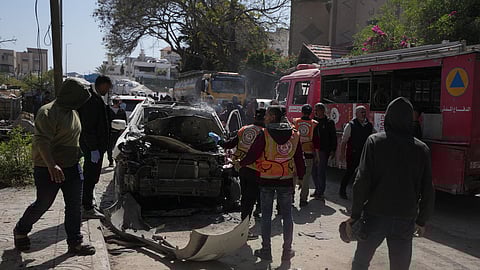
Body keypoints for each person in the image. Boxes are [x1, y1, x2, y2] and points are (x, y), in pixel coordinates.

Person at [345, 97, 435, 270]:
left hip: (375, 216)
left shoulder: (374, 142)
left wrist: (355, 215)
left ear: (388, 117)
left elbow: (361, 181)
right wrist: (422, 220)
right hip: (405, 218)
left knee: (361, 262)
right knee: (400, 266)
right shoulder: (422, 149)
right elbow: (428, 189)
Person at [13, 78, 96, 255]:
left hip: (72, 167)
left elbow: (74, 137)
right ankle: (21, 230)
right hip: (48, 167)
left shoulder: (73, 112)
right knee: (43, 203)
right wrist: (52, 165)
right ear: (70, 95)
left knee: (74, 205)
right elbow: (42, 141)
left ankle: (75, 242)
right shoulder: (48, 112)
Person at [240, 106, 305, 261]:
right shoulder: (294, 134)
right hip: (286, 180)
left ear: (273, 117)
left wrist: (241, 163)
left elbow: (253, 154)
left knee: (267, 216)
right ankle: (287, 251)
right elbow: (298, 157)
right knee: (288, 216)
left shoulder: (265, 134)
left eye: (268, 115)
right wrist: (301, 176)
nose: (265, 118)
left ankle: (266, 250)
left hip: (266, 180)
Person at [222, 108, 266, 222]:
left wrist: (219, 141)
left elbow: (230, 143)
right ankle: (253, 213)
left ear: (255, 117)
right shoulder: (265, 133)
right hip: (257, 168)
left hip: (241, 166)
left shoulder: (243, 129)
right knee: (256, 192)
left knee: (245, 194)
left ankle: (244, 217)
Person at [78, 75, 112, 219]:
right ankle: (87, 207)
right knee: (90, 176)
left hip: (96, 147)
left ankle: (87, 203)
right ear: (102, 85)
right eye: (108, 87)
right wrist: (93, 148)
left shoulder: (96, 98)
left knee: (92, 177)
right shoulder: (91, 100)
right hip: (92, 147)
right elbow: (88, 127)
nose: (108, 90)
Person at [339, 105, 374, 200]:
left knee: (365, 174)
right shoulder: (351, 125)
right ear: (356, 114)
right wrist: (342, 155)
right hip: (353, 153)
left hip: (365, 153)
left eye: (364, 112)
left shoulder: (369, 125)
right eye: (361, 112)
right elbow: (344, 141)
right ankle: (342, 191)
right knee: (349, 172)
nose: (363, 114)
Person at [292, 104, 320, 207]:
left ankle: (291, 197)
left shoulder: (295, 122)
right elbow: (316, 142)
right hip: (308, 155)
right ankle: (303, 200)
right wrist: (317, 156)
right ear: (311, 112)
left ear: (302, 112)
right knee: (306, 178)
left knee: (293, 176)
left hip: (295, 154)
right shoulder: (314, 124)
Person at [312, 103, 337, 200]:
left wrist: (333, 150)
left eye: (317, 110)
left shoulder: (329, 122)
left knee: (321, 171)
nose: (316, 112)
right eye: (315, 110)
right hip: (313, 150)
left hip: (323, 150)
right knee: (313, 171)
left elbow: (333, 137)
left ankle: (320, 192)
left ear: (322, 111)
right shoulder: (313, 122)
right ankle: (317, 189)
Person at [107, 97, 127, 166]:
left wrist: (123, 130)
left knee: (118, 147)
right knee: (109, 147)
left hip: (119, 132)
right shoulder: (108, 110)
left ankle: (116, 160)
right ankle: (110, 160)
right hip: (110, 132)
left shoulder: (122, 111)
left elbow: (124, 121)